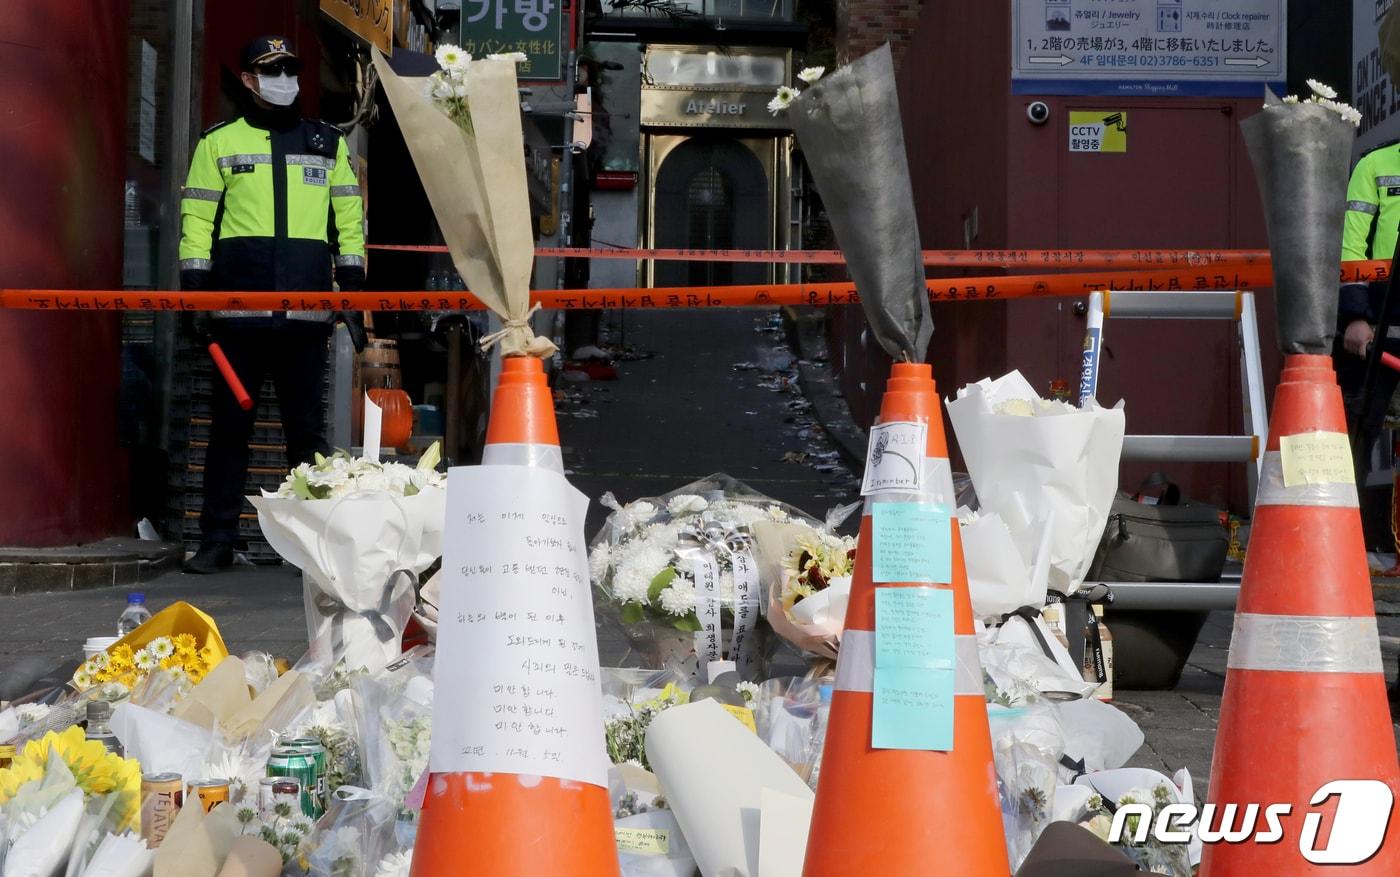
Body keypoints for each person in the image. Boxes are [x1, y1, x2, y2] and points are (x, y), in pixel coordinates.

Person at [179, 36, 365, 573]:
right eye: (272, 70)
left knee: (305, 436)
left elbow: (348, 220)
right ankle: (217, 541)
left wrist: (352, 291)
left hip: (306, 318)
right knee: (229, 433)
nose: (284, 78)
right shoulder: (217, 142)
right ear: (248, 80)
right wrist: (194, 296)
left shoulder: (327, 142)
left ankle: (309, 547)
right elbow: (197, 221)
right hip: (236, 317)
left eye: (290, 68)